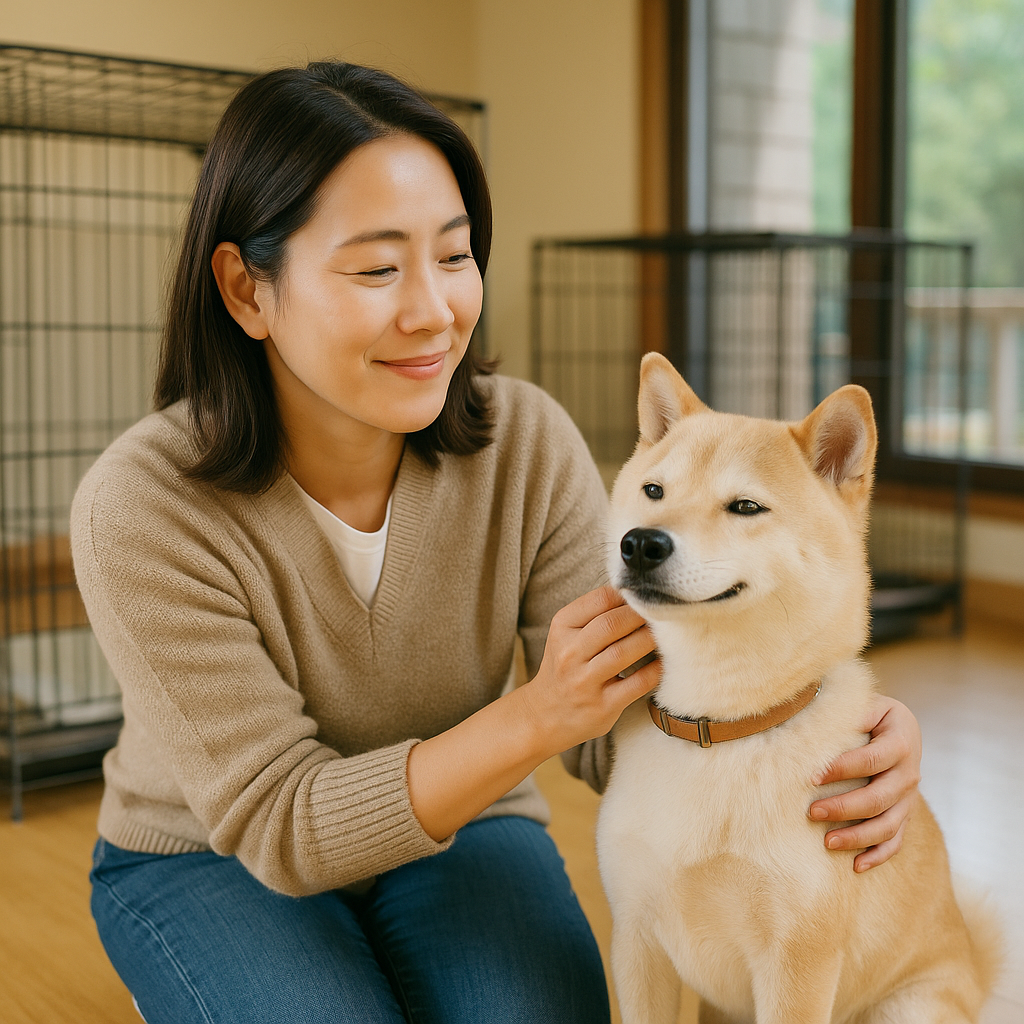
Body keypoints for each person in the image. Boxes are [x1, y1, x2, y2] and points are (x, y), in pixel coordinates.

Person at [71, 62, 923, 1024]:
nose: (434, 310)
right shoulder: (142, 505)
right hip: (217, 857)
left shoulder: (523, 441)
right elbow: (284, 826)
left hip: (467, 819)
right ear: (246, 289)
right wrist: (536, 716)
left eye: (454, 255)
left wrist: (828, 736)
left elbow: (626, 712)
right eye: (377, 268)